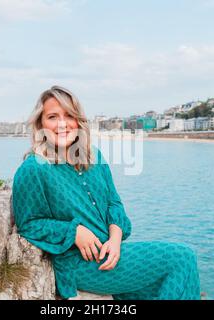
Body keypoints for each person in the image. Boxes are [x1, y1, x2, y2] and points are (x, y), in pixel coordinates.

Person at [12, 85, 201, 300]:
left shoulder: (94, 157)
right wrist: (74, 232)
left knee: (169, 285)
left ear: (78, 121)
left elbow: (114, 203)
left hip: (111, 252)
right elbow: (29, 224)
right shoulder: (33, 168)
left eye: (69, 116)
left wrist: (115, 239)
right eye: (53, 117)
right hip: (80, 264)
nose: (62, 124)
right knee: (182, 257)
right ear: (40, 124)